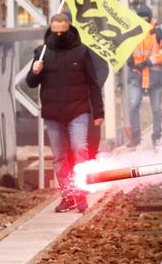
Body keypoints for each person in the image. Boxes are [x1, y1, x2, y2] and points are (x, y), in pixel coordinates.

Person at [27, 12, 104, 213]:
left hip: (78, 110)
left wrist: (98, 112)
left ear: (68, 28)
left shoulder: (81, 52)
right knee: (60, 157)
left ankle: (80, 193)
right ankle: (67, 196)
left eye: (63, 31)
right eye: (56, 31)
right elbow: (30, 82)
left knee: (80, 150)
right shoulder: (42, 52)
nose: (59, 35)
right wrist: (35, 71)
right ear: (51, 30)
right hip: (53, 114)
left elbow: (93, 84)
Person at [126, 5, 162, 148]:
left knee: (156, 108)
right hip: (136, 75)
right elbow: (124, 47)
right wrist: (129, 59)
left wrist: (147, 62)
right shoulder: (131, 30)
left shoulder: (159, 31)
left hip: (154, 75)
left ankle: (157, 136)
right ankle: (135, 135)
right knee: (134, 104)